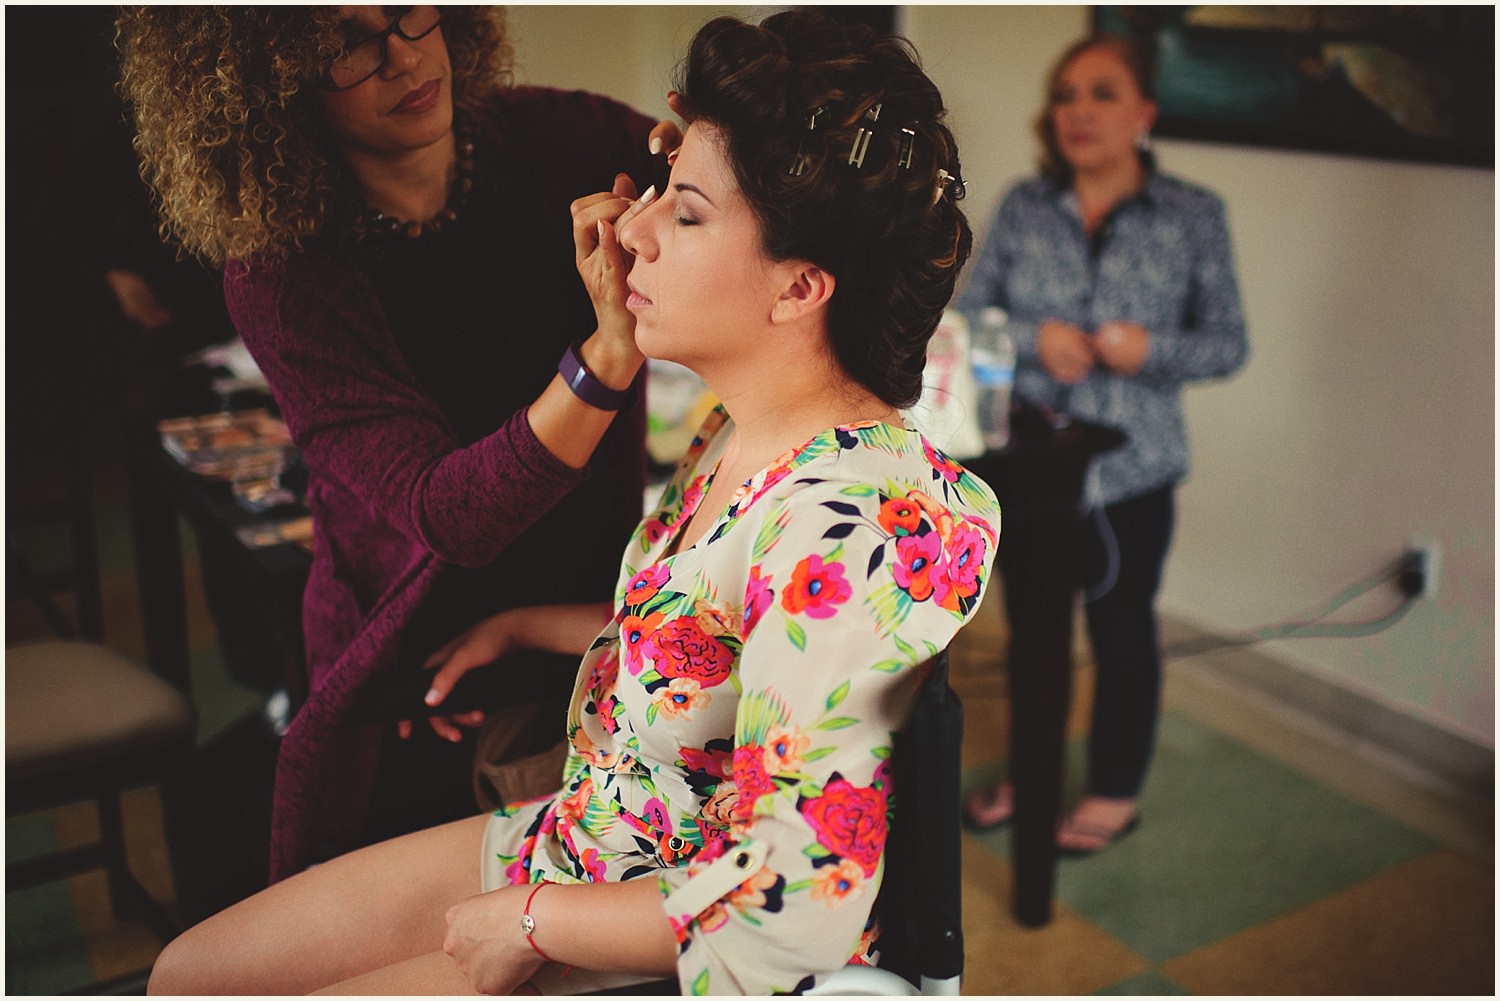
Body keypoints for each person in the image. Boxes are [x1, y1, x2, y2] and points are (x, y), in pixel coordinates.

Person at [144, 10, 1000, 995]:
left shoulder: (865, 521)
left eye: (680, 211)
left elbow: (790, 905)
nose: (623, 227)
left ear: (799, 285)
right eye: (664, 190)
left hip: (656, 909)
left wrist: (534, 918)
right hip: (591, 827)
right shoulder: (743, 432)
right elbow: (731, 627)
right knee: (190, 974)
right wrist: (542, 624)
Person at [115, 6, 678, 882]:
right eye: (345, 43)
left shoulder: (550, 139)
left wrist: (717, 134)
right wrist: (608, 356)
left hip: (588, 611)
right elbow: (447, 515)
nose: (405, 56)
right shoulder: (280, 269)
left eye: (412, 10)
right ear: (267, 85)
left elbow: (717, 174)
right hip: (408, 650)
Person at [957, 33, 1248, 853]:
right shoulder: (1023, 205)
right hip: (1030, 470)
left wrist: (1149, 350)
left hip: (1134, 473)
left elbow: (1228, 343)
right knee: (1034, 635)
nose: (1079, 111)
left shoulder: (1194, 216)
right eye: (1067, 94)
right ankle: (1034, 770)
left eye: (1103, 93)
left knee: (1122, 632)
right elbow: (969, 318)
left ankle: (1116, 788)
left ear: (1145, 114)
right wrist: (1030, 337)